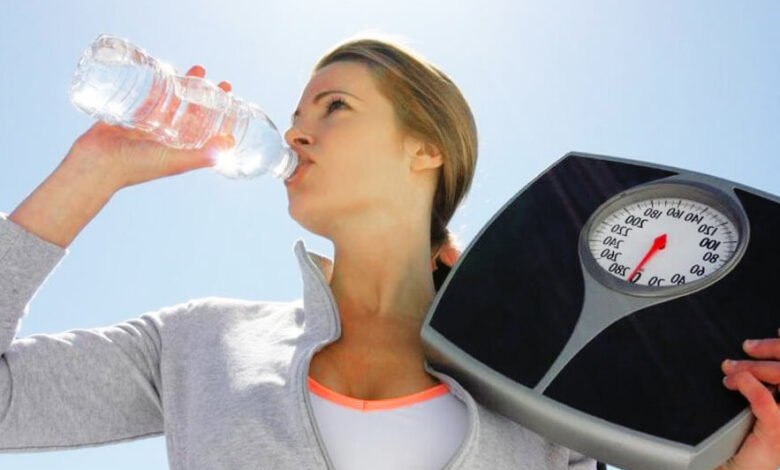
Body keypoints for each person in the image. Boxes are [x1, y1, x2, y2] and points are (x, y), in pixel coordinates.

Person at [1, 33, 778, 470]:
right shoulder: (198, 344)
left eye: (334, 106)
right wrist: (92, 170)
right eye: (296, 113)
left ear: (426, 149)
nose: (296, 132)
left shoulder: (544, 377)